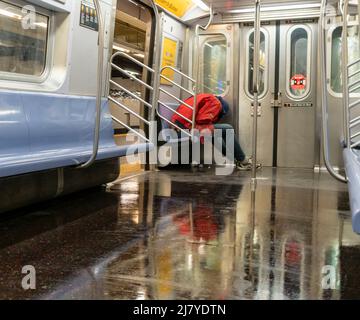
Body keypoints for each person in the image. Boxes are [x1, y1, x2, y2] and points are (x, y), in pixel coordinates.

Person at [171, 93, 259, 170]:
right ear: (222, 111)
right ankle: (243, 160)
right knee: (227, 128)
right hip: (185, 126)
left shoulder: (206, 97)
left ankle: (236, 159)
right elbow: (202, 120)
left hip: (178, 124)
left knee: (212, 134)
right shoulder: (216, 103)